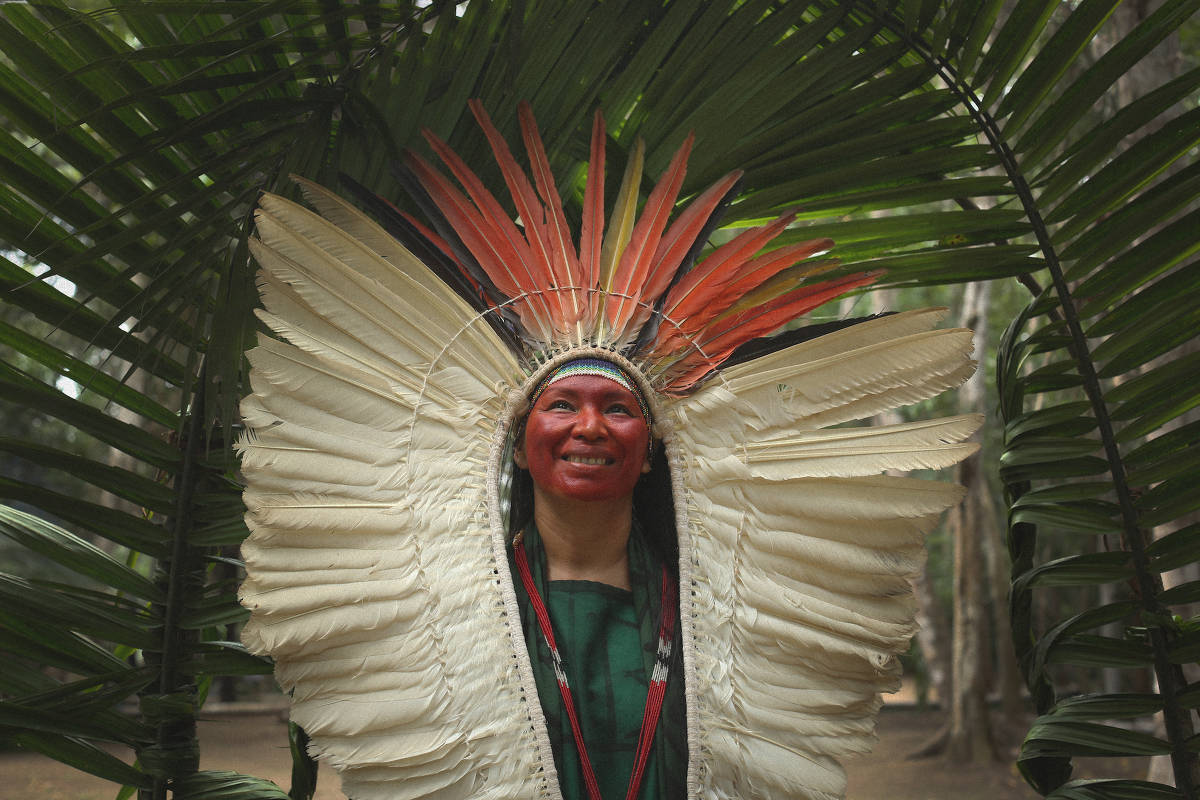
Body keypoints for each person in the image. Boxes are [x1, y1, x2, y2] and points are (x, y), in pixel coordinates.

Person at [238, 101, 979, 799]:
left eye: (618, 408)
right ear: (520, 447)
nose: (589, 428)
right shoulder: (445, 596)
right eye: (562, 405)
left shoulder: (716, 612)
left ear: (651, 451)